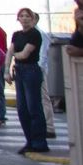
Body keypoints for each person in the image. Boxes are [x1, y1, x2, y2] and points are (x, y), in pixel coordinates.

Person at [10, 8, 51, 153]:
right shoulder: (16, 34)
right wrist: (6, 71)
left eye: (27, 16)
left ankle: (39, 142)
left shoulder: (35, 34)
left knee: (34, 107)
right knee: (22, 109)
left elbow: (24, 54)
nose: (25, 18)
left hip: (32, 69)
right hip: (20, 70)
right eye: (21, 16)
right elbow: (11, 53)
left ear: (33, 18)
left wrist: (12, 54)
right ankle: (29, 141)